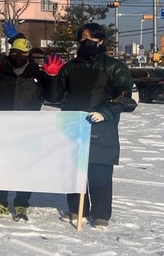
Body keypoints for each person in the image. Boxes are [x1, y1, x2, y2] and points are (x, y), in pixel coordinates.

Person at [51, 23, 136, 229]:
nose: (86, 42)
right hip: (73, 125)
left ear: (101, 41)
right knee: (73, 171)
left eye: (90, 38)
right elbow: (55, 96)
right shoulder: (70, 67)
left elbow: (126, 97)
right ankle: (77, 209)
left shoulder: (113, 66)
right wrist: (51, 77)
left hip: (101, 126)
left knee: (99, 173)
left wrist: (105, 112)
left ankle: (100, 214)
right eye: (82, 38)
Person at [0, 38, 58, 221]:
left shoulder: (37, 74)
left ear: (28, 55)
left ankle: (21, 203)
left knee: (25, 167)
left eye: (22, 53)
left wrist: (52, 78)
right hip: (1, 128)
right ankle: (0, 202)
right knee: (0, 165)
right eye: (14, 52)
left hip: (28, 129)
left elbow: (53, 97)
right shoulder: (0, 72)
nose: (17, 55)